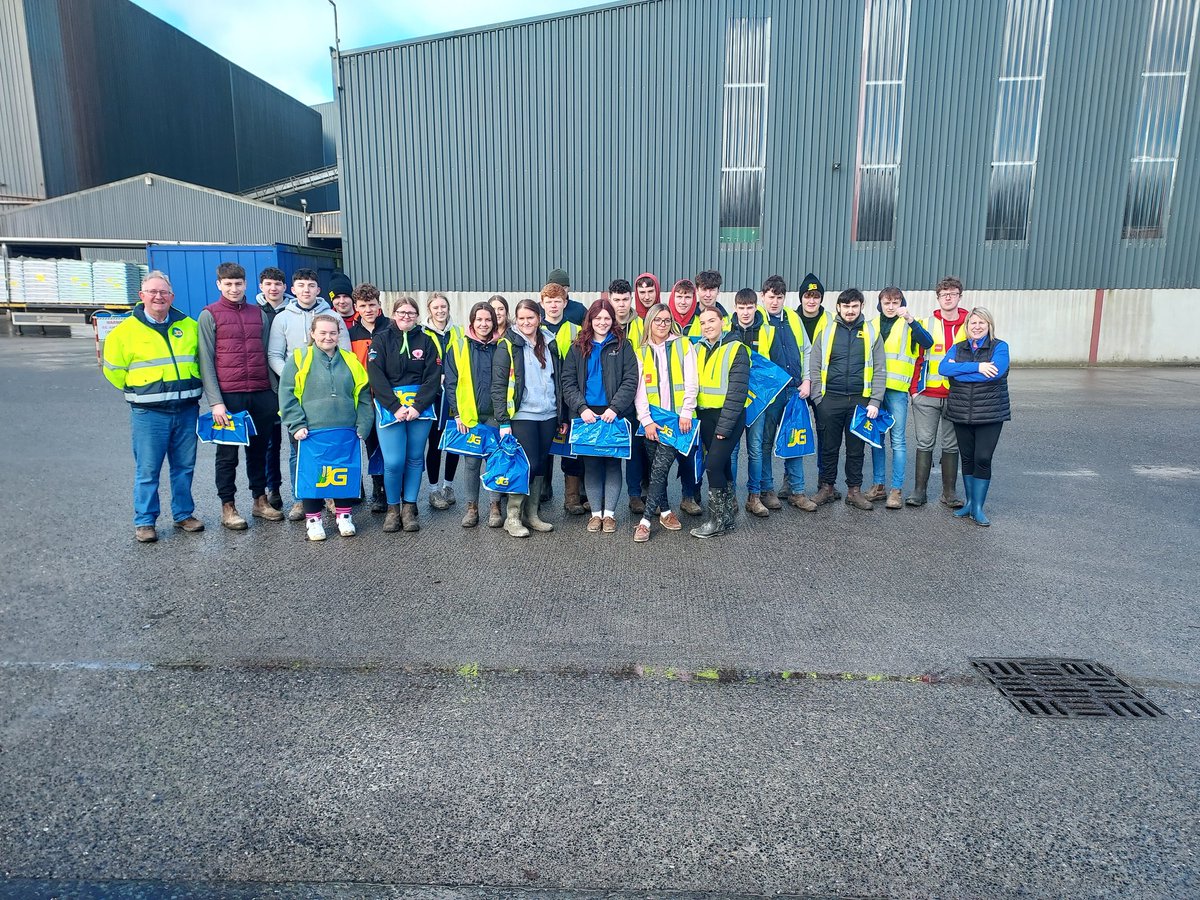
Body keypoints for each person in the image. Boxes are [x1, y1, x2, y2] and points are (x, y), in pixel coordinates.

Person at [102, 271, 204, 542]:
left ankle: (183, 514)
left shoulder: (189, 326)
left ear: (172, 296)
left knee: (184, 467)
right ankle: (145, 521)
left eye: (164, 292)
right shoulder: (124, 332)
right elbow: (113, 371)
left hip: (186, 408)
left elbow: (201, 360)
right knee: (148, 470)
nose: (159, 297)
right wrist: (141, 390)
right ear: (142, 296)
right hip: (149, 413)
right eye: (153, 292)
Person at [197, 261, 284, 530]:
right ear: (219, 285)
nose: (233, 289)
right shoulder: (209, 315)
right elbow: (206, 361)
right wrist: (216, 402)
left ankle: (260, 500)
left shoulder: (258, 314)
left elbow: (267, 354)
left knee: (259, 451)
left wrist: (274, 394)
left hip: (261, 393)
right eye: (228, 284)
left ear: (245, 284)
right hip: (229, 397)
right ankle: (228, 506)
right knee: (227, 456)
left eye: (238, 284)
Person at [279, 314, 373, 541]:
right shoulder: (298, 359)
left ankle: (344, 516)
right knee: (313, 475)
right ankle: (313, 520)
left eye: (332, 333)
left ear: (339, 334)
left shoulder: (351, 360)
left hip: (345, 430)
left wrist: (364, 423)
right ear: (312, 334)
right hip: (309, 431)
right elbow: (287, 394)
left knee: (342, 472)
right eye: (322, 332)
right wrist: (296, 424)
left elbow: (363, 395)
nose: (327, 337)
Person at [267, 268, 351, 521]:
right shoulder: (282, 318)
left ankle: (331, 496)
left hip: (329, 397)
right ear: (293, 290)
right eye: (301, 285)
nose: (306, 290)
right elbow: (274, 355)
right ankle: (300, 498)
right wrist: (294, 377)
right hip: (299, 394)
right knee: (299, 452)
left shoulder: (333, 317)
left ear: (318, 289)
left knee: (332, 450)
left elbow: (345, 355)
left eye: (311, 285)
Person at [560, 298, 639, 533]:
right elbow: (568, 382)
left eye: (607, 318)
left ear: (612, 320)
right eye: (597, 318)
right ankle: (596, 514)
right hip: (587, 414)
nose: (602, 322)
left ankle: (610, 515)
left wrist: (615, 408)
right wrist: (581, 408)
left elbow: (631, 380)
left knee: (613, 464)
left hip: (614, 413)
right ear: (590, 320)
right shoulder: (577, 347)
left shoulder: (623, 346)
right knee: (592, 465)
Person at [368, 296, 442, 533]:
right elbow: (375, 376)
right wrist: (394, 406)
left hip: (419, 409)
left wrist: (418, 406)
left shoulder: (427, 341)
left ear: (417, 316)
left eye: (411, 313)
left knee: (415, 458)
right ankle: (393, 509)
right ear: (393, 314)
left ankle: (409, 508)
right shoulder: (381, 340)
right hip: (391, 409)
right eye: (401, 312)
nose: (406, 316)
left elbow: (433, 376)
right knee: (393, 461)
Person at [807, 289, 886, 510]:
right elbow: (815, 365)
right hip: (830, 399)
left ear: (861, 307)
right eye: (846, 306)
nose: (850, 311)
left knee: (856, 449)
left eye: (854, 306)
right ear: (838, 307)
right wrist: (818, 398)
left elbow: (880, 369)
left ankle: (854, 491)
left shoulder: (872, 332)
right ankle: (827, 488)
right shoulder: (827, 331)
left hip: (860, 401)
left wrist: (875, 401)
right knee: (829, 447)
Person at [492, 298, 560, 538]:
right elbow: (498, 386)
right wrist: (503, 421)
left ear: (539, 318)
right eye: (521, 318)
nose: (526, 322)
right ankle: (513, 517)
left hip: (549, 413)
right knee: (526, 463)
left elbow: (556, 379)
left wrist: (561, 413)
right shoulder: (507, 345)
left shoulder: (550, 342)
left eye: (530, 317)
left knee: (540, 464)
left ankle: (532, 515)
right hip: (522, 415)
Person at [631, 302, 698, 542]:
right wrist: (646, 420)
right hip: (651, 421)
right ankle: (666, 512)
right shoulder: (640, 351)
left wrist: (687, 412)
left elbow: (692, 382)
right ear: (649, 322)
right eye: (658, 320)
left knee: (660, 469)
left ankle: (645, 521)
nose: (662, 324)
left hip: (676, 420)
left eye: (667, 320)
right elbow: (638, 391)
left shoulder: (683, 344)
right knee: (655, 471)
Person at [864, 288, 933, 509]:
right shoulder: (871, 325)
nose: (891, 306)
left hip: (896, 390)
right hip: (875, 391)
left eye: (895, 302)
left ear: (902, 303)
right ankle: (878, 485)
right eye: (887, 302)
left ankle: (896, 490)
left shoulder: (909, 324)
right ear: (880, 304)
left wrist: (911, 320)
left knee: (898, 441)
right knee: (876, 439)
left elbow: (927, 342)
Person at [941, 308, 1010, 526]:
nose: (977, 327)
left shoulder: (1000, 347)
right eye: (973, 323)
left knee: (982, 458)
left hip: (990, 413)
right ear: (967, 326)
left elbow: (996, 373)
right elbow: (944, 368)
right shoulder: (958, 347)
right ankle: (970, 504)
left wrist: (959, 371)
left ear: (989, 326)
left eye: (982, 323)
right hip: (961, 412)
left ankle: (978, 508)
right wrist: (978, 367)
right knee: (967, 458)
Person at [907, 276, 970, 509]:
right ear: (938, 297)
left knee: (951, 445)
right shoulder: (926, 323)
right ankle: (919, 491)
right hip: (927, 395)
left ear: (960, 296)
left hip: (957, 395)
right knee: (924, 442)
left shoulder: (971, 323)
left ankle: (949, 493)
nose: (948, 298)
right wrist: (914, 391)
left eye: (953, 294)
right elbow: (916, 358)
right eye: (944, 294)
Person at [756, 274, 815, 514]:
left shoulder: (793, 318)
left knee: (794, 440)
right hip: (771, 392)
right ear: (763, 296)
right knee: (766, 441)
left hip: (795, 389)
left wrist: (807, 380)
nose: (775, 302)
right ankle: (767, 490)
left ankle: (797, 491)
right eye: (771, 297)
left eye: (779, 297)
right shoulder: (757, 319)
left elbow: (807, 350)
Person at [690, 307, 750, 538]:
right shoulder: (697, 348)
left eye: (711, 321)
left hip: (729, 417)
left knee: (712, 465)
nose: (707, 326)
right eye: (703, 323)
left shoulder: (736, 349)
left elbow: (737, 393)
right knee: (722, 465)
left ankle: (715, 521)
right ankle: (726, 518)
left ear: (722, 322)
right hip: (706, 417)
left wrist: (724, 427)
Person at [445, 302, 502, 529]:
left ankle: (495, 506)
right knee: (471, 463)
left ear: (494, 322)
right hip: (470, 416)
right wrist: (457, 414)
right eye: (479, 319)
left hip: (496, 414)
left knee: (495, 460)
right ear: (472, 321)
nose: (483, 324)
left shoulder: (502, 345)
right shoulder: (459, 346)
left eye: (488, 320)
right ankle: (472, 508)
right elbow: (450, 383)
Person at [539, 282, 587, 514]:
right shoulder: (535, 328)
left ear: (565, 303)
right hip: (544, 395)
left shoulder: (576, 330)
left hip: (570, 395)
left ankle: (572, 497)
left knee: (571, 447)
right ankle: (542, 489)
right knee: (543, 446)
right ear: (542, 303)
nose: (553, 305)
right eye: (549, 301)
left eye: (558, 301)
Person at [348, 283, 392, 513]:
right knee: (372, 444)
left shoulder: (391, 327)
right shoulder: (351, 334)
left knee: (391, 445)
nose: (368, 310)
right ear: (356, 307)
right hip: (365, 398)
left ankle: (395, 489)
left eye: (372, 305)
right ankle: (378, 490)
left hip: (390, 396)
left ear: (379, 305)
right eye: (363, 306)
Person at [725, 288, 769, 516]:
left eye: (749, 307)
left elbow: (774, 366)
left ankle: (754, 497)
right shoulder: (726, 331)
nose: (745, 312)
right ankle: (731, 496)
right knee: (732, 451)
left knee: (755, 449)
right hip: (733, 400)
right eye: (741, 308)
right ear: (735, 308)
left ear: (755, 307)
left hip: (758, 401)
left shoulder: (767, 331)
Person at [609, 279, 647, 512]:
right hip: (609, 398)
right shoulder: (603, 322)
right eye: (617, 300)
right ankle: (604, 497)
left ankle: (635, 495)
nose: (621, 304)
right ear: (610, 299)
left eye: (625, 299)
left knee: (635, 449)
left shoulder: (642, 324)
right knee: (609, 449)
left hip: (636, 395)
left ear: (631, 299)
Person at [423, 292, 462, 511]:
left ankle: (449, 486)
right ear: (429, 310)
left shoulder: (458, 332)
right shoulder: (422, 332)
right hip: (434, 396)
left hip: (455, 395)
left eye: (443, 307)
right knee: (436, 444)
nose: (440, 311)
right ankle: (433, 489)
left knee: (454, 443)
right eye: (436, 307)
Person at [256, 266, 290, 509]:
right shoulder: (255, 312)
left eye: (277, 284)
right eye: (268, 284)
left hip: (293, 383)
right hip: (266, 385)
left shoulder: (292, 311)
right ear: (261, 287)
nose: (273, 288)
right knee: (271, 442)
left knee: (300, 437)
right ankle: (273, 489)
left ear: (285, 287)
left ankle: (310, 491)